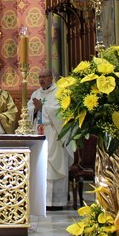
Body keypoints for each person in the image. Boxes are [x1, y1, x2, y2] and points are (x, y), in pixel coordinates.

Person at [27, 69, 75, 210]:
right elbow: (29, 110)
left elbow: (62, 111)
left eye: (44, 77)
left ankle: (57, 202)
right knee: (41, 166)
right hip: (40, 132)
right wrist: (35, 109)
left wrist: (44, 108)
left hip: (55, 133)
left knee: (54, 166)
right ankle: (42, 201)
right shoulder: (36, 94)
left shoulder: (59, 92)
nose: (41, 80)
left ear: (51, 78)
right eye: (39, 77)